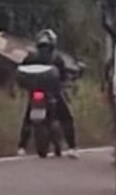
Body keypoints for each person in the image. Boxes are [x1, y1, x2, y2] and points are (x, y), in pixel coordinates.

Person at [17, 29, 78, 159]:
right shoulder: (57, 58)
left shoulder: (31, 57)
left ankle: (22, 147)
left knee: (28, 116)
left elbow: (21, 71)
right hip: (53, 93)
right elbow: (63, 76)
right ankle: (72, 147)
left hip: (35, 92)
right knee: (66, 117)